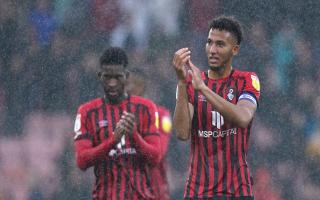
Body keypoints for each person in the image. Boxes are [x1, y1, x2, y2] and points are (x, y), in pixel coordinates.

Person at [172, 16, 261, 200]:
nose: (212, 50)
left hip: (237, 191)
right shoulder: (189, 83)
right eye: (209, 43)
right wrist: (181, 82)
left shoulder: (247, 80)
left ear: (234, 50)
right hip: (198, 191)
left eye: (220, 44)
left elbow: (243, 117)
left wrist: (203, 90)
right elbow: (181, 133)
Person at [73, 47, 161, 200]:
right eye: (107, 77)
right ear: (100, 76)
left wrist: (134, 136)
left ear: (126, 76)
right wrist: (112, 141)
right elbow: (82, 161)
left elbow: (155, 158)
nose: (112, 83)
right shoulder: (86, 112)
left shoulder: (146, 108)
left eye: (117, 77)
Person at [127, 68, 172, 200]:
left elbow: (158, 152)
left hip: (154, 190)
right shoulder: (117, 115)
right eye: (127, 84)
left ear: (143, 86)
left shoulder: (162, 116)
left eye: (134, 83)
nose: (129, 88)